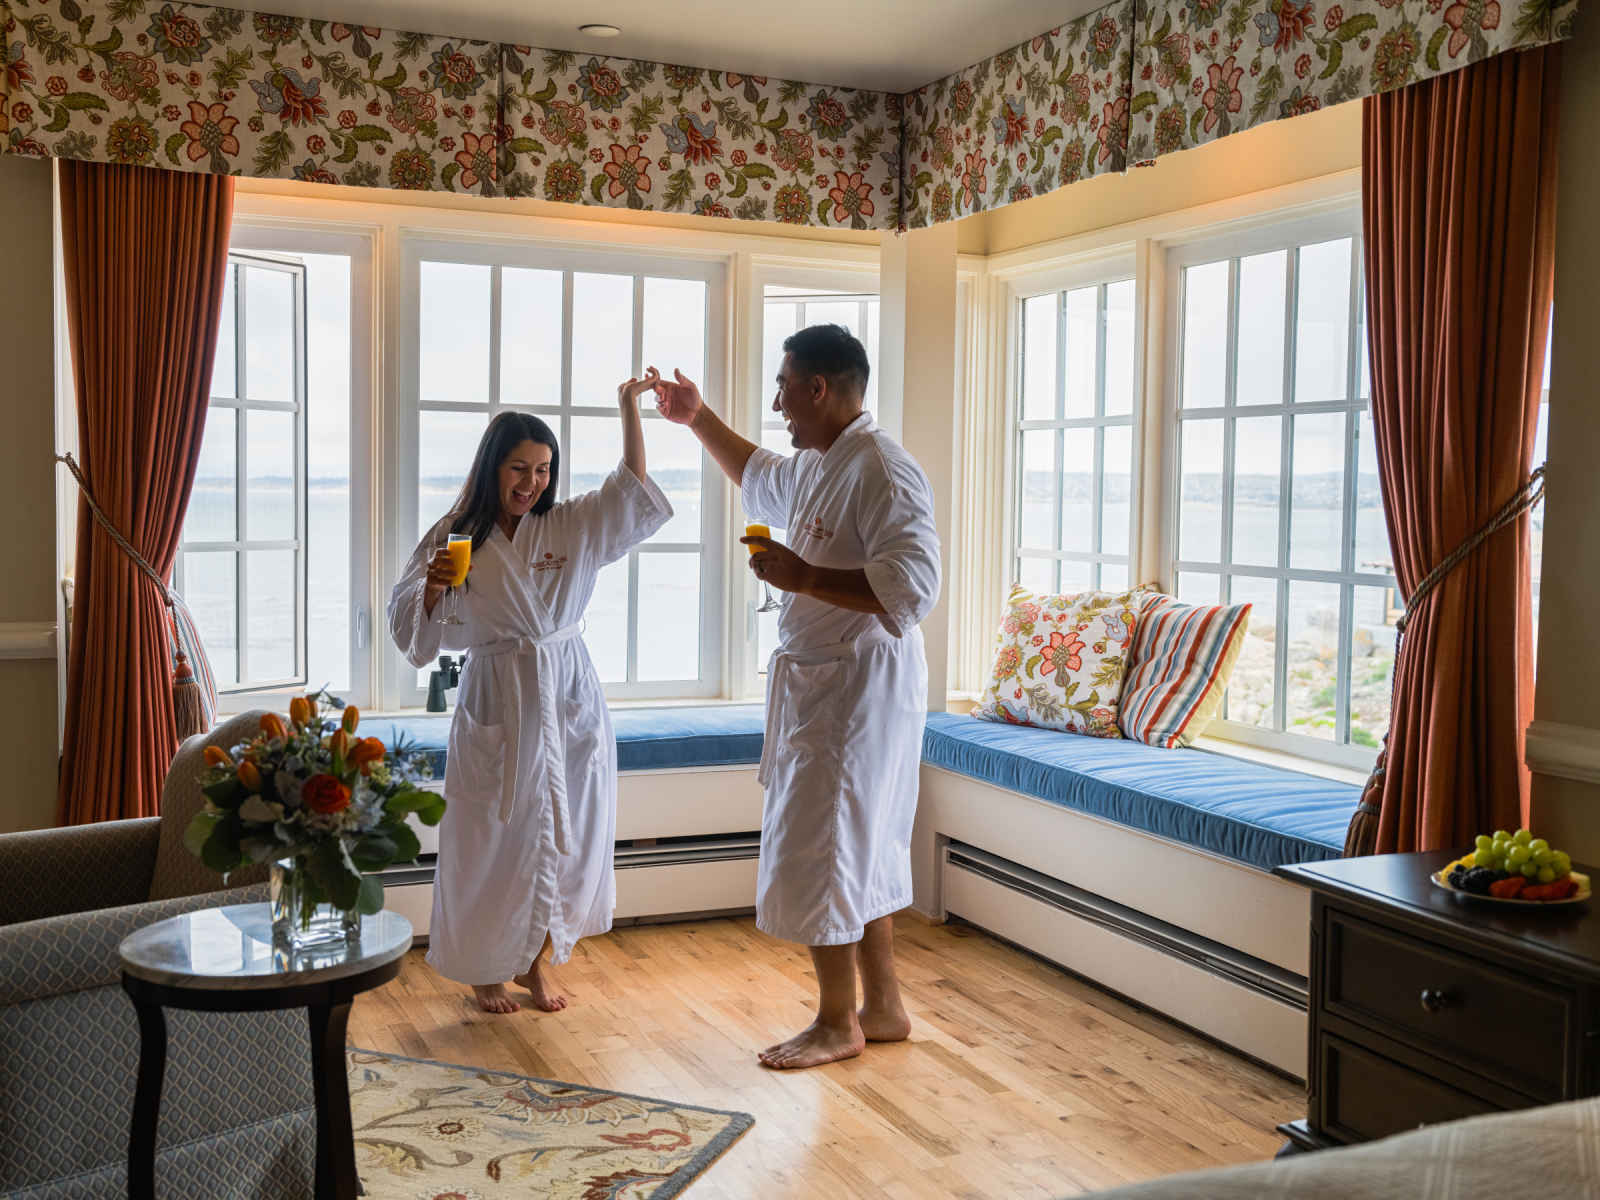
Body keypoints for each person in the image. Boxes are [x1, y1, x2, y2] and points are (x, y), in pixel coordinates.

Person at [655, 325, 941, 1068]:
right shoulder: (823, 462)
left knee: (828, 846)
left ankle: (834, 1022)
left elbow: (914, 585)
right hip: (825, 683)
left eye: (783, 387)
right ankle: (882, 1008)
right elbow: (760, 474)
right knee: (862, 846)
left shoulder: (881, 468)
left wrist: (804, 578)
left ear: (818, 388)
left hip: (856, 687)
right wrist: (696, 418)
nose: (777, 401)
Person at [389, 372, 672, 1014]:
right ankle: (486, 970)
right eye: (520, 468)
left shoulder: (571, 526)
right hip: (496, 696)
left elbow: (630, 488)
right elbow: (412, 629)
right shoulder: (455, 533)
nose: (532, 482)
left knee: (565, 838)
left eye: (544, 469)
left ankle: (538, 964)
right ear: (492, 467)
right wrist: (433, 588)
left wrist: (628, 407)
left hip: (566, 691)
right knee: (488, 837)